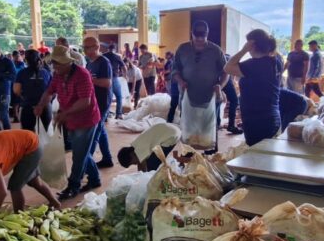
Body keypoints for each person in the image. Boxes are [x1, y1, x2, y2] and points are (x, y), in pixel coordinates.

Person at [35, 44, 101, 200]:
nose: (54, 66)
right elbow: (49, 92)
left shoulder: (82, 75)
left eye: (57, 63)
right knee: (81, 151)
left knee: (78, 155)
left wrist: (66, 113)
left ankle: (73, 185)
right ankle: (95, 179)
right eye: (53, 63)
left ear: (67, 62)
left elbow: (85, 101)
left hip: (86, 120)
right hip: (69, 119)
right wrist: (40, 105)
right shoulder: (58, 75)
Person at [173, 21, 227, 149]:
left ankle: (211, 158)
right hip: (188, 96)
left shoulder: (215, 50)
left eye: (202, 37)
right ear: (192, 34)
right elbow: (175, 70)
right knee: (188, 129)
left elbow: (226, 72)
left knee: (210, 129)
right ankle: (187, 158)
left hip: (210, 97)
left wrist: (220, 85)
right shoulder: (183, 49)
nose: (199, 40)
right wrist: (180, 81)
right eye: (196, 37)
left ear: (207, 34)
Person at [224, 29, 282, 146]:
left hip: (258, 122)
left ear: (252, 45)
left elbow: (228, 67)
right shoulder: (275, 61)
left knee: (258, 160)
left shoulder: (254, 65)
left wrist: (243, 50)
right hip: (270, 119)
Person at [82, 36, 115, 168]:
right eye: (84, 48)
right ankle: (107, 158)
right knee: (100, 131)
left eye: (88, 47)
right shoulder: (89, 62)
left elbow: (107, 83)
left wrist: (89, 80)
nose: (86, 51)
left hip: (102, 102)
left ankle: (85, 165)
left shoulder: (103, 62)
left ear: (97, 47)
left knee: (94, 133)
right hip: (93, 102)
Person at [14, 49, 52, 134]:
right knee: (46, 133)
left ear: (26, 60)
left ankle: (34, 146)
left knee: (28, 134)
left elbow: (16, 90)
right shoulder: (46, 72)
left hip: (28, 106)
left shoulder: (22, 73)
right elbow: (52, 90)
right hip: (45, 106)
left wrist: (24, 96)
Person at [117, 122, 182, 172]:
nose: (136, 164)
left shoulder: (140, 151)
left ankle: (157, 177)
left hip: (172, 136)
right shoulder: (135, 146)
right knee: (149, 162)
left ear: (131, 155)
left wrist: (143, 178)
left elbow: (142, 166)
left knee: (151, 166)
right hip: (170, 129)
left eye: (133, 163)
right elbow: (140, 165)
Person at [103, 42, 126, 119]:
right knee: (119, 97)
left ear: (108, 49)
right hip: (115, 78)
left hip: (105, 79)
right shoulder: (117, 57)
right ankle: (118, 114)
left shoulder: (103, 56)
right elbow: (124, 67)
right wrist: (124, 76)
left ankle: (105, 116)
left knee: (107, 98)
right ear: (115, 49)